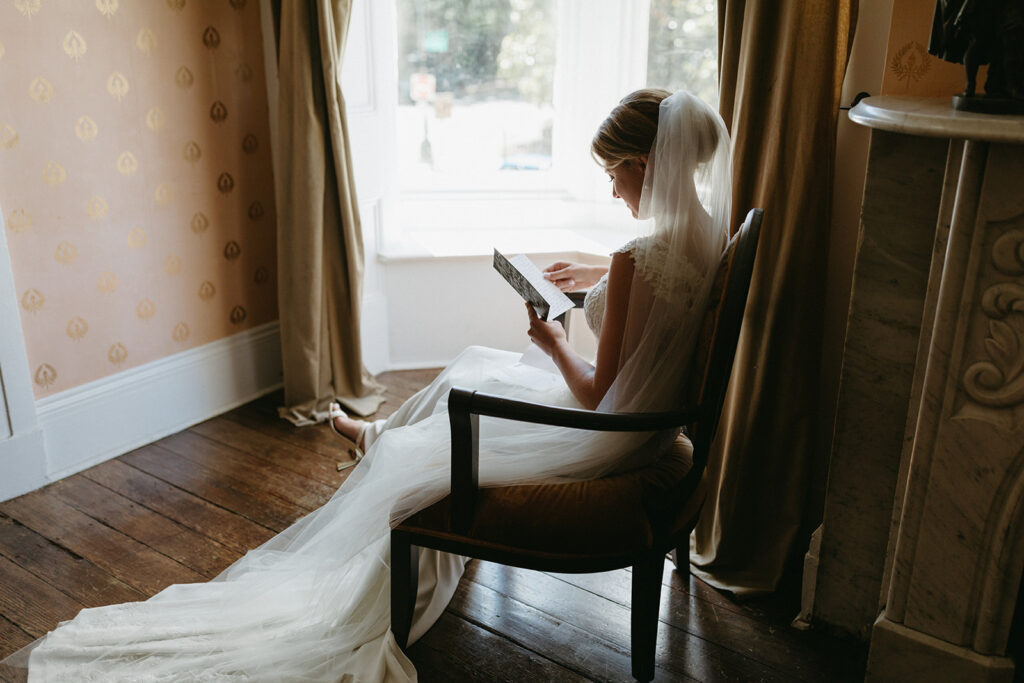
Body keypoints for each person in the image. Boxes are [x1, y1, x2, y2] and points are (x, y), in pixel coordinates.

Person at [3, 89, 731, 681]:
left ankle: (378, 453)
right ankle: (377, 435)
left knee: (454, 402)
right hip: (651, 434)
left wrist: (551, 338)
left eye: (615, 171)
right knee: (469, 367)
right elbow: (656, 317)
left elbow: (596, 394)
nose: (611, 185)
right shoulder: (709, 235)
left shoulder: (636, 255)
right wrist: (601, 279)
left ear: (645, 163)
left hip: (603, 439)